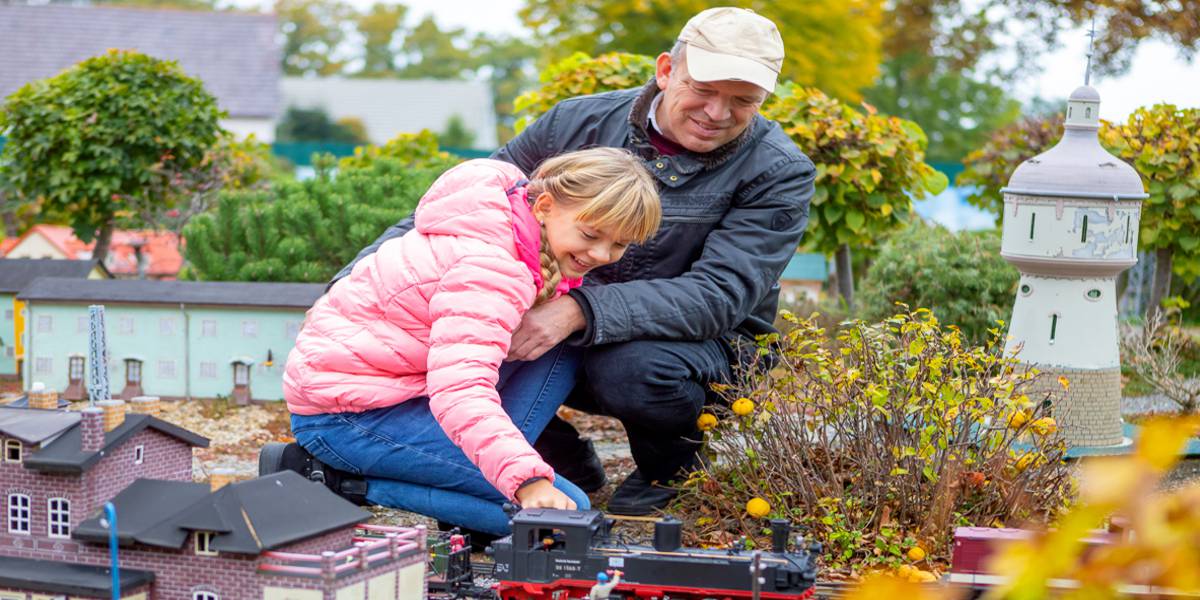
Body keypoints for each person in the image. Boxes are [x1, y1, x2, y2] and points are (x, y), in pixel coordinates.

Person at [328, 6, 816, 516]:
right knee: (463, 327)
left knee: (632, 368)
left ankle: (669, 468)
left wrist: (576, 310)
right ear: (667, 70)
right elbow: (469, 206)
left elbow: (718, 296)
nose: (717, 113)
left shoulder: (778, 171)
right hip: (556, 317)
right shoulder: (575, 122)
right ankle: (554, 458)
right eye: (704, 90)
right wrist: (350, 283)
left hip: (699, 346)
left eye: (743, 102)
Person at [262, 148, 661, 535]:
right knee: (564, 519)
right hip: (347, 418)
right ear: (544, 207)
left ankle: (476, 467)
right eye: (591, 234)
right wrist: (528, 480)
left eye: (619, 244)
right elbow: (459, 388)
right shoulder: (491, 268)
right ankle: (338, 480)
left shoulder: (514, 221)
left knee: (565, 334)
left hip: (402, 388)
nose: (600, 254)